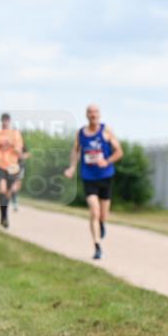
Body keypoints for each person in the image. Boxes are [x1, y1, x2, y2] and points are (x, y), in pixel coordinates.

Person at [64, 104, 123, 259]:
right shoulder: (81, 134)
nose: (93, 114)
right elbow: (75, 151)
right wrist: (72, 167)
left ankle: (102, 223)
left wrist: (107, 161)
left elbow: (119, 152)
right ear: (86, 115)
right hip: (89, 177)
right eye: (90, 112)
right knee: (94, 212)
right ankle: (97, 246)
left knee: (103, 215)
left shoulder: (106, 130)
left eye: (95, 112)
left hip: (105, 176)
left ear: (99, 114)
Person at [0, 113, 25, 229]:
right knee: (2, 188)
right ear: (1, 121)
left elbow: (20, 150)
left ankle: (4, 214)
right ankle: (4, 216)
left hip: (12, 165)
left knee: (9, 192)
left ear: (9, 121)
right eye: (3, 120)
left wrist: (12, 145)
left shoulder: (15, 134)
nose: (5, 122)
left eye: (7, 120)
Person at [11, 143, 30, 211]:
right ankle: (14, 202)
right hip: (11, 166)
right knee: (13, 185)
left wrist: (23, 156)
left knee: (17, 186)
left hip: (21, 166)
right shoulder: (10, 143)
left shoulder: (21, 144)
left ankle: (14, 199)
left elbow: (28, 154)